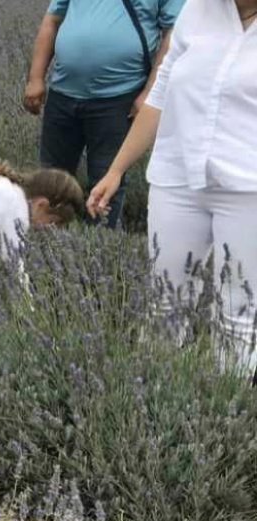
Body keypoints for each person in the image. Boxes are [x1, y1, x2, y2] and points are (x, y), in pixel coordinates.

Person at [88, 0, 257, 378]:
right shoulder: (197, 10)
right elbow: (160, 94)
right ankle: (155, 405)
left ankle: (224, 420)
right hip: (177, 178)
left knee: (238, 314)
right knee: (166, 303)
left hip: (249, 189)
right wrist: (116, 170)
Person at [23, 0, 183, 229]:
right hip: (62, 94)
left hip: (118, 99)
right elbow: (52, 20)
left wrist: (150, 91)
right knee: (48, 183)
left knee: (106, 184)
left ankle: (96, 244)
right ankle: (44, 246)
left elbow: (174, 34)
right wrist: (36, 78)